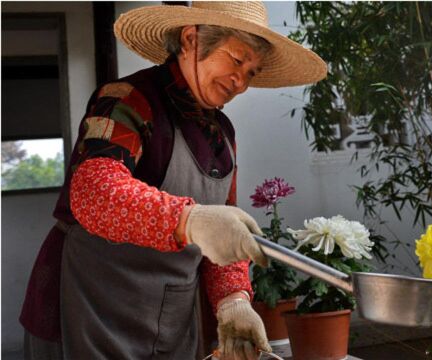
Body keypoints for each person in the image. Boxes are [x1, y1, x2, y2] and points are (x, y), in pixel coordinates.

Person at [19, 2, 327, 359]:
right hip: (87, 306)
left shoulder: (223, 136)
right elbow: (92, 192)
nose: (241, 82)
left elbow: (223, 235)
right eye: (237, 61)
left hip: (169, 322)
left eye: (252, 73)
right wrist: (190, 220)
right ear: (191, 39)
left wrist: (234, 300)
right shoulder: (127, 101)